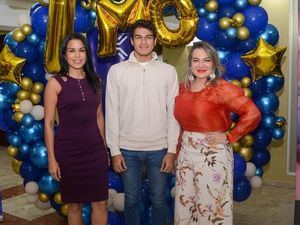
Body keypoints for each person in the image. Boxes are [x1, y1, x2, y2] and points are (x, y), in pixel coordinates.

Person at [173, 41, 261, 225]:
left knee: (211, 209)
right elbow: (179, 125)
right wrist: (176, 153)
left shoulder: (220, 88)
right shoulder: (182, 89)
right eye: (196, 60)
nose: (201, 65)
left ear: (214, 63)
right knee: (184, 207)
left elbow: (252, 114)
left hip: (212, 155)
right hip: (185, 155)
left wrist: (229, 136)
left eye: (206, 60)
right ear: (190, 64)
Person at [105, 19, 180, 225]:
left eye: (148, 38)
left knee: (159, 200)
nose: (144, 42)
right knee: (131, 199)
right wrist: (114, 150)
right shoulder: (117, 71)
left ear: (155, 41)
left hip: (160, 149)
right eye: (139, 37)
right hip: (127, 149)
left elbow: (174, 114)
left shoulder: (168, 71)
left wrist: (172, 150)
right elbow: (111, 111)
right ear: (131, 41)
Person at [44, 33, 108, 225]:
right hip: (68, 153)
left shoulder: (96, 80)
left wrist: (104, 149)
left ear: (87, 54)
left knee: (101, 203)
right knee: (74, 205)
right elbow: (48, 123)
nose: (77, 55)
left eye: (81, 50)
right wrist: (51, 159)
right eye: (72, 51)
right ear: (64, 55)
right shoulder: (55, 83)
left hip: (94, 150)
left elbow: (99, 117)